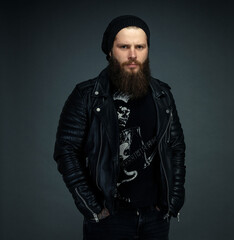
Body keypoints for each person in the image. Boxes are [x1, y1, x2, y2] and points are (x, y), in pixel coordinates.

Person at [53, 15, 186, 240]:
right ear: (110, 51)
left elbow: (175, 147)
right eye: (124, 46)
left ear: (147, 50)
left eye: (140, 47)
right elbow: (66, 151)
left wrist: (173, 201)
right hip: (109, 218)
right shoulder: (86, 96)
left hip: (155, 217)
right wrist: (93, 208)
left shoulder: (162, 95)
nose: (133, 55)